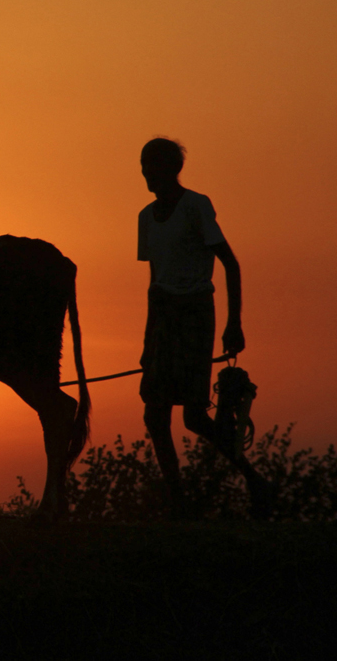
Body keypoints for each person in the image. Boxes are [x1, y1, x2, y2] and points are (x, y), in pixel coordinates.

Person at [137, 137, 271, 518]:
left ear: (171, 168)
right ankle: (178, 502)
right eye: (143, 164)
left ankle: (252, 478)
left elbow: (230, 263)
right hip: (163, 316)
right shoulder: (146, 217)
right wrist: (149, 342)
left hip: (195, 312)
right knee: (154, 413)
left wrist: (234, 323)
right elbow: (154, 281)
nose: (145, 172)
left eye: (152, 164)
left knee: (194, 415)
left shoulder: (196, 206)